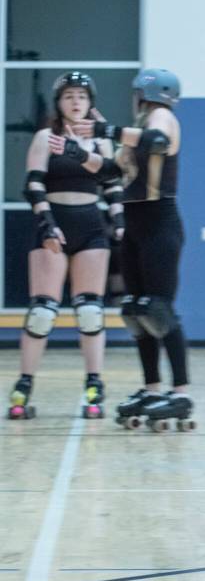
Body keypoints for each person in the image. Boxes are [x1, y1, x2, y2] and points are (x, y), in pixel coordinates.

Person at [52, 68, 193, 431]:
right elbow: (111, 172)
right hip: (135, 226)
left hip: (159, 224)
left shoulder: (161, 116)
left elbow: (157, 142)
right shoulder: (139, 126)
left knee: (159, 309)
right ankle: (152, 387)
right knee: (135, 310)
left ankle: (180, 391)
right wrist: (77, 152)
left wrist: (106, 130)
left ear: (144, 94)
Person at [8, 72, 122, 420]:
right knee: (43, 312)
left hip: (90, 226)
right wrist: (47, 223)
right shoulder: (46, 137)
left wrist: (119, 222)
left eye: (82, 96)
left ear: (90, 103)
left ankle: (94, 386)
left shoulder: (99, 140)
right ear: (59, 102)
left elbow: (113, 183)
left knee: (90, 310)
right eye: (69, 96)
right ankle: (23, 386)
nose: (76, 102)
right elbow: (33, 185)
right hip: (53, 223)